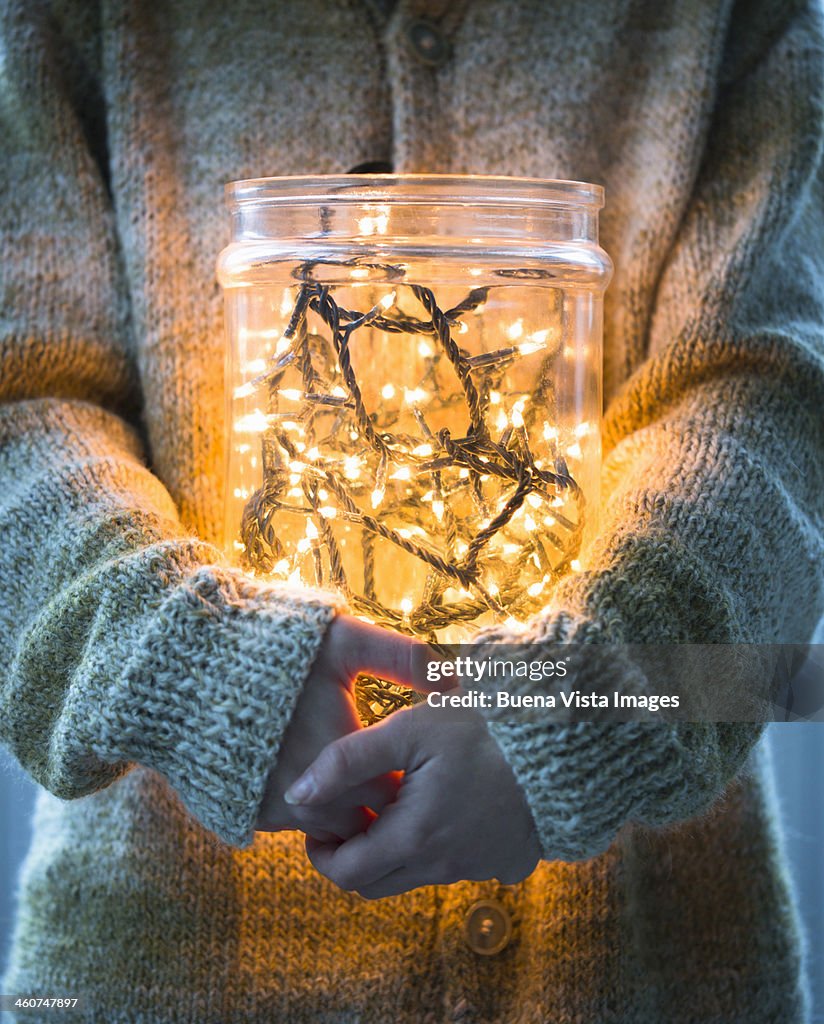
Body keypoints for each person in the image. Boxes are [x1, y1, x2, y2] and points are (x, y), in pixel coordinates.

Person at [1, 0, 823, 1021]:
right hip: (165, 961)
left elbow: (768, 397)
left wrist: (572, 710)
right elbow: (20, 402)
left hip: (643, 964)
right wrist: (199, 666)